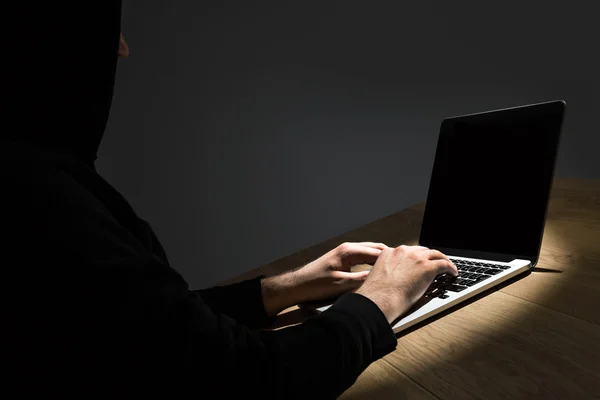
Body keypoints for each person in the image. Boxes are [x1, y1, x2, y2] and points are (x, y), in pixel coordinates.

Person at [2, 1, 458, 398]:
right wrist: (381, 299)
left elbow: (137, 323)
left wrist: (285, 288)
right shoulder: (38, 197)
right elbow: (247, 380)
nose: (122, 46)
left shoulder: (40, 180)